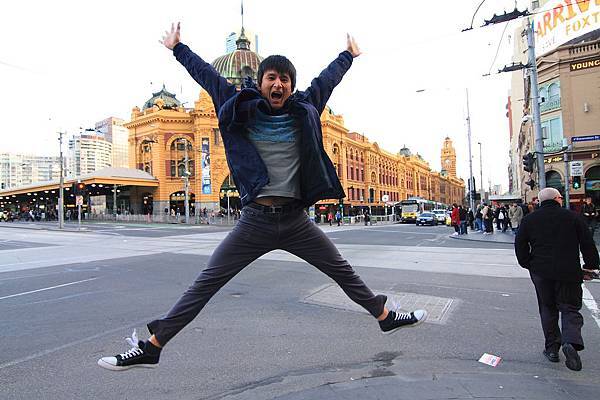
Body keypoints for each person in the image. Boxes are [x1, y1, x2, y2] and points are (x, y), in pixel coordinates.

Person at [97, 22, 427, 372]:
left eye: (285, 79)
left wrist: (347, 56)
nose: (278, 84)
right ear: (260, 81)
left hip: (296, 221)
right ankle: (152, 347)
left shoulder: (305, 110)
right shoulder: (238, 106)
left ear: (291, 86)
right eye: (272, 77)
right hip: (255, 221)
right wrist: (178, 48)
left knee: (343, 272)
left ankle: (385, 316)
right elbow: (208, 76)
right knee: (205, 283)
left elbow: (325, 82)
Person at [515, 188, 599, 371]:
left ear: (540, 201)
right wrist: (590, 265)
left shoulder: (529, 220)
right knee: (569, 307)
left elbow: (520, 245)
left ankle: (552, 349)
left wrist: (529, 264)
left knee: (547, 308)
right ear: (557, 199)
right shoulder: (573, 217)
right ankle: (571, 341)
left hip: (541, 272)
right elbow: (587, 243)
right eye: (560, 197)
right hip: (569, 270)